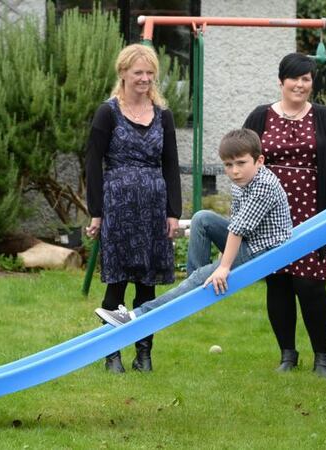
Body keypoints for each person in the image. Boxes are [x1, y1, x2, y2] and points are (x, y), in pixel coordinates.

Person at [95, 129, 293, 330]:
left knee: (203, 274)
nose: (234, 171)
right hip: (251, 240)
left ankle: (135, 316)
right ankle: (195, 285)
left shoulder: (263, 186)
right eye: (228, 165)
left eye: (241, 163)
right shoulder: (243, 181)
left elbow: (237, 231)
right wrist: (220, 262)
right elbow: (236, 224)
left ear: (259, 160)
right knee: (202, 218)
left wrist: (223, 267)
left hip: (264, 248)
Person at [242, 52, 326, 377]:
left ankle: (322, 357)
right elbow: (242, 157)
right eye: (295, 78)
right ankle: (287, 355)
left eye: (306, 79)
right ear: (281, 81)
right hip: (270, 213)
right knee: (278, 284)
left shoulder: (325, 118)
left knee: (310, 284)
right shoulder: (260, 117)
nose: (300, 85)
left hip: (313, 213)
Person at [85, 43, 182, 373]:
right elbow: (93, 163)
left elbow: (171, 164)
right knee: (118, 279)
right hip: (118, 206)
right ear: (123, 73)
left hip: (154, 206)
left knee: (147, 283)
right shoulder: (107, 112)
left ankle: (144, 354)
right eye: (138, 72)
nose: (144, 78)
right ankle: (111, 353)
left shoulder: (163, 115)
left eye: (150, 72)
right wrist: (96, 211)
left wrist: (174, 212)